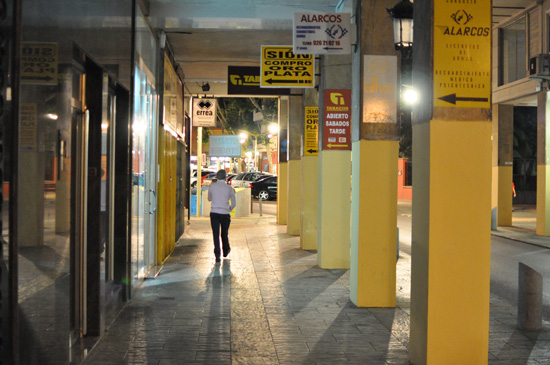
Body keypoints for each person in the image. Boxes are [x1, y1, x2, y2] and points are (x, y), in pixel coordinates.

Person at [208, 169, 236, 262]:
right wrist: (229, 209)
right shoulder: (229, 188)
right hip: (225, 214)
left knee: (215, 234)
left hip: (214, 213)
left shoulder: (212, 186)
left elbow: (209, 198)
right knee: (224, 233)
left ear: (217, 177)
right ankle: (225, 250)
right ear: (225, 177)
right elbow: (234, 203)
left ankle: (217, 255)